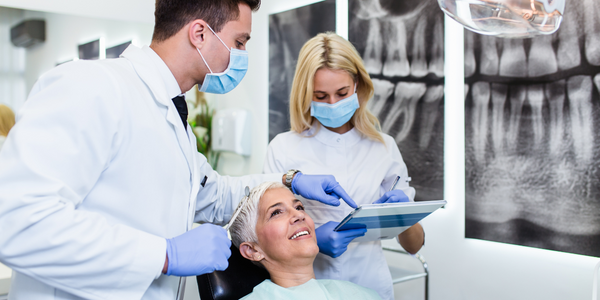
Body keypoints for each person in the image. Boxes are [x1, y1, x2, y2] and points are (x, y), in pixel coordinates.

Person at [0, 2, 357, 300]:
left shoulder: (171, 117)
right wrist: (164, 256)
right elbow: (14, 221)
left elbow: (213, 195)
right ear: (200, 34)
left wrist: (290, 181)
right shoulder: (92, 87)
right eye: (240, 41)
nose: (243, 54)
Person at [263, 32, 425, 300]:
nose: (333, 104)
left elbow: (414, 245)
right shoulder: (282, 148)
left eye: (342, 93)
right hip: (306, 289)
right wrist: (314, 241)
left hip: (371, 286)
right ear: (306, 94)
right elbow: (267, 239)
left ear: (357, 86)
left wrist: (404, 217)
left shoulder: (384, 147)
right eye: (321, 96)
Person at [230, 181, 382, 300]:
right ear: (253, 250)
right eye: (276, 212)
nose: (299, 215)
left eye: (299, 207)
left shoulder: (364, 296)